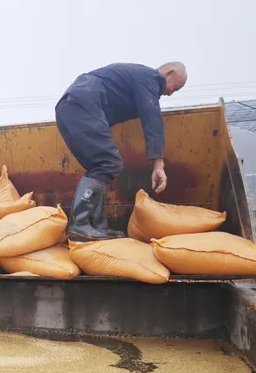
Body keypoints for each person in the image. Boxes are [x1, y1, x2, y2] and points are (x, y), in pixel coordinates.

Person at [55, 62, 188, 241]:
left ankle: (96, 225)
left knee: (100, 167)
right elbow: (152, 117)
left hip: (70, 108)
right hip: (82, 104)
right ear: (169, 73)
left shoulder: (134, 80)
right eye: (176, 87)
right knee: (110, 163)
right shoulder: (150, 78)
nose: (171, 93)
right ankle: (79, 223)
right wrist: (158, 163)